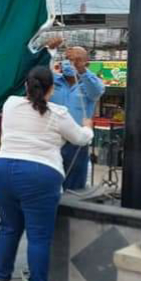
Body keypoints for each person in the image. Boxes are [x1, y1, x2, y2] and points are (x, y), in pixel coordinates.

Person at [0, 66, 94, 281]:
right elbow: (79, 139)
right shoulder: (58, 113)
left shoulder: (10, 104)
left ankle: (2, 279)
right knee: (38, 236)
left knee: (8, 227)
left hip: (2, 169)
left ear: (27, 86)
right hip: (39, 174)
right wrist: (88, 126)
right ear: (51, 88)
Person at [45, 40, 103, 190]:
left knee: (74, 188)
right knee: (49, 183)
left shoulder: (91, 84)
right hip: (52, 140)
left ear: (86, 63)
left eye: (77, 60)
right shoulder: (53, 81)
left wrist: (80, 69)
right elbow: (38, 72)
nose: (71, 63)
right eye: (69, 59)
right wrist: (50, 50)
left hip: (76, 143)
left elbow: (97, 91)